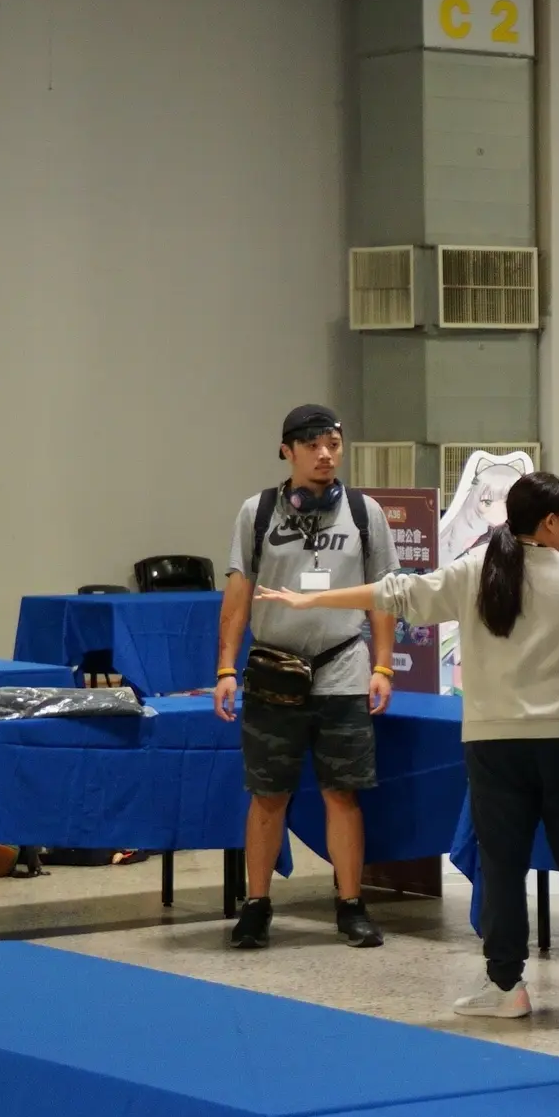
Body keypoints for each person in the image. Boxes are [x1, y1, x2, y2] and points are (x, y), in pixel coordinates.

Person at [261, 470, 559, 1017]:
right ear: (552, 521)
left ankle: (507, 986)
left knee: (502, 865)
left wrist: (310, 600)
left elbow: (397, 593)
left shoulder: (475, 569)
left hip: (495, 742)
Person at [214, 405, 396, 951]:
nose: (325, 455)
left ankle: (350, 904)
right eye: (313, 445)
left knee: (343, 793)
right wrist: (225, 667)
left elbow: (384, 593)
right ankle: (257, 905)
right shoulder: (257, 512)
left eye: (333, 445)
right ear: (286, 450)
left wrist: (383, 666)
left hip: (343, 667)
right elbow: (238, 594)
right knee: (268, 794)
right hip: (274, 671)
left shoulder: (364, 512)